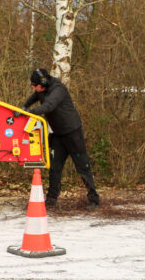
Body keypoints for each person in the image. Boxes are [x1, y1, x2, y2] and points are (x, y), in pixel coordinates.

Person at [23, 67, 100, 210]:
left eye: (35, 85)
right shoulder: (41, 90)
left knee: (83, 166)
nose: (33, 88)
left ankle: (94, 198)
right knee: (55, 167)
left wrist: (30, 113)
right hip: (58, 134)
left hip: (73, 133)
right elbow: (35, 96)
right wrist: (24, 107)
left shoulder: (58, 89)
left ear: (43, 83)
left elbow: (49, 106)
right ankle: (51, 199)